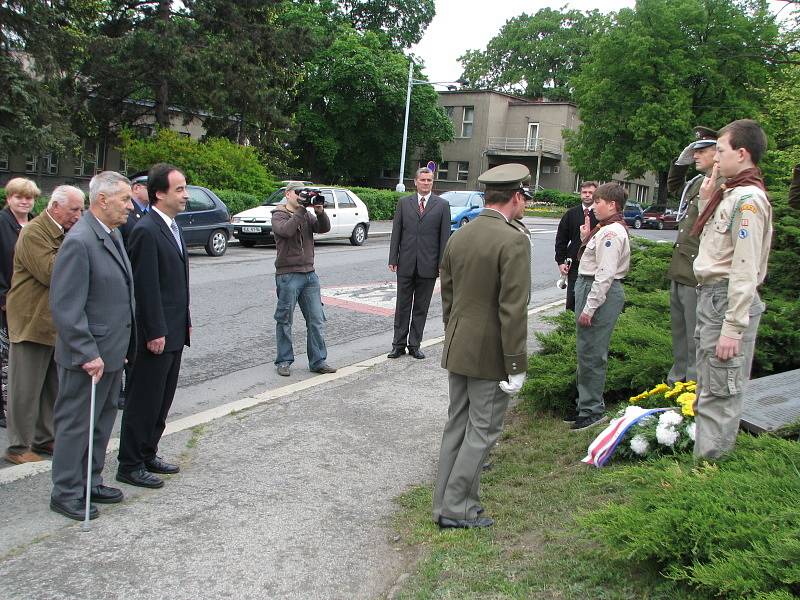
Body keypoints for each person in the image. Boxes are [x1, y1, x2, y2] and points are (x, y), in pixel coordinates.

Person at [432, 163, 531, 529]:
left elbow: (449, 295)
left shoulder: (461, 234)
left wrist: (454, 333)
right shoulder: (513, 239)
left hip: (459, 343)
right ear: (516, 197)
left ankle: (443, 503)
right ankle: (457, 507)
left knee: (458, 423)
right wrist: (517, 365)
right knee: (483, 430)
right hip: (491, 352)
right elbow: (513, 308)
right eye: (525, 198)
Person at [49, 171, 135, 521]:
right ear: (102, 200)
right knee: (76, 424)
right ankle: (66, 490)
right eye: (125, 199)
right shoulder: (80, 241)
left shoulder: (110, 235)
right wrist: (88, 352)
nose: (130, 206)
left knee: (101, 421)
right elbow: (66, 307)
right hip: (88, 356)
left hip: (112, 350)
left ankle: (90, 478)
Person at [692, 119, 772, 460]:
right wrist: (706, 200)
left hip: (726, 300)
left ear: (742, 153)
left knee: (720, 390)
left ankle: (710, 469)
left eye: (720, 151)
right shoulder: (729, 194)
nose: (716, 158)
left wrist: (733, 327)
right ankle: (705, 462)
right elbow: (717, 245)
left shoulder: (749, 200)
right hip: (714, 297)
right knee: (709, 385)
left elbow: (744, 267)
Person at [117, 163, 191, 489]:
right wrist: (155, 331)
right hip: (155, 334)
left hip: (174, 329)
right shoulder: (146, 230)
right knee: (144, 400)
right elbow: (145, 288)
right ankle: (129, 463)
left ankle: (149, 452)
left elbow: (176, 284)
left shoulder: (172, 227)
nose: (186, 195)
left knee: (162, 399)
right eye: (179, 189)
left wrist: (184, 322)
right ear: (159, 194)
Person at [4, 186, 84, 465]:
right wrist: (75, 244)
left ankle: (44, 437)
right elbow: (53, 273)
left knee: (51, 385)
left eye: (80, 209)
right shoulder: (34, 232)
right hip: (30, 320)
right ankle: (17, 446)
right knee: (24, 388)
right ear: (55, 207)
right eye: (74, 209)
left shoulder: (60, 231)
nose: (78, 215)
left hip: (51, 322)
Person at [665, 127, 724, 385]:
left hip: (697, 273)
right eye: (694, 150)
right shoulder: (699, 183)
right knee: (679, 335)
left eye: (701, 150)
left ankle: (690, 391)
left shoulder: (724, 185)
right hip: (681, 269)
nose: (695, 155)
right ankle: (676, 385)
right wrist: (681, 161)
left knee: (693, 340)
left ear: (718, 152)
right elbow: (674, 186)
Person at [572, 183, 631, 432]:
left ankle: (592, 410)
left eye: (598, 202)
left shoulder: (611, 233)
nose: (594, 206)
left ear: (612, 205)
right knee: (585, 349)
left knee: (593, 352)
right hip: (589, 285)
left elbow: (605, 273)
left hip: (598, 291)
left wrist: (590, 307)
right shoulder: (603, 229)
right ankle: (584, 403)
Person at [271, 182, 336, 377]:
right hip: (288, 275)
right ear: (288, 194)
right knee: (284, 320)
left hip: (309, 274)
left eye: (303, 193)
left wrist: (320, 212)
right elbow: (287, 231)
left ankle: (318, 361)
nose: (301, 196)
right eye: (298, 193)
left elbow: (323, 229)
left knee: (316, 319)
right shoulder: (279, 215)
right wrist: (301, 210)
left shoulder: (306, 214)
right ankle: (283, 360)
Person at [387, 167, 450, 360]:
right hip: (405, 263)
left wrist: (442, 264)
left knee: (421, 307)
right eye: (422, 180)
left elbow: (444, 237)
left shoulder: (442, 205)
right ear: (415, 182)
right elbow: (396, 231)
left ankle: (415, 345)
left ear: (433, 182)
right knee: (402, 306)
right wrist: (393, 258)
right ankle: (398, 345)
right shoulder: (404, 203)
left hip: (428, 266)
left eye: (429, 180)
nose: (425, 183)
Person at [0, 178, 39, 429]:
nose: (25, 201)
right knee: (4, 359)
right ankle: (4, 410)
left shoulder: (34, 223)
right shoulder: (2, 224)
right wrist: (3, 297)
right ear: (9, 198)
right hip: (6, 302)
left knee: (19, 359)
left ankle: (18, 409)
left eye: (29, 197)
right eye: (19, 197)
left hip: (30, 304)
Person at [554, 181, 599, 311]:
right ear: (580, 194)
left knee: (590, 297)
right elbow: (561, 239)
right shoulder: (571, 214)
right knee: (573, 296)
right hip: (574, 263)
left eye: (591, 192)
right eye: (584, 192)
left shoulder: (600, 214)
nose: (587, 195)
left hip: (594, 263)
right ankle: (569, 325)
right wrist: (560, 261)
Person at [118, 170, 150, 245]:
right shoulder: (124, 211)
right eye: (151, 188)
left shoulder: (153, 211)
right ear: (136, 188)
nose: (156, 192)